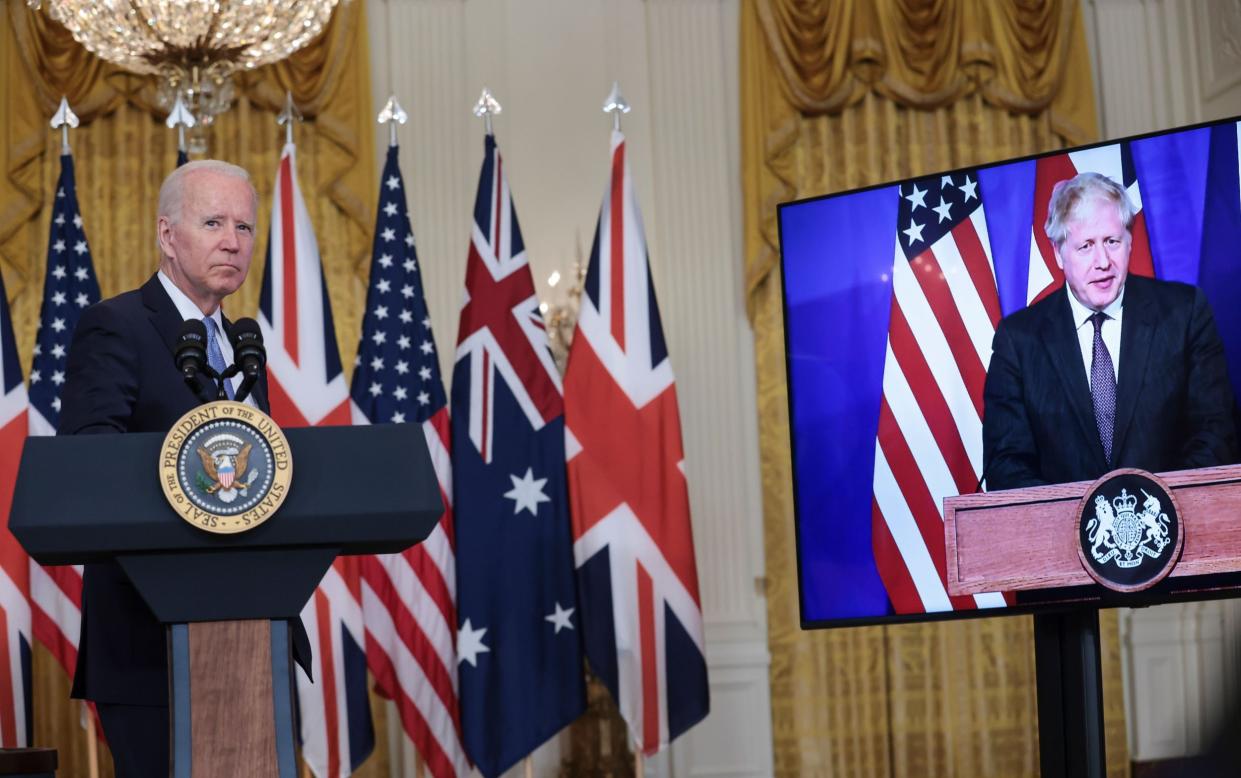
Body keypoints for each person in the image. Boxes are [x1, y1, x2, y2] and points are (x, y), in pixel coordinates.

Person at [58, 160, 308, 774]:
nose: (233, 241)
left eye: (245, 227)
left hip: (254, 635)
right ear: (168, 236)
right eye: (214, 222)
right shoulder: (115, 326)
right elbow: (93, 467)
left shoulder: (242, 343)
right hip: (151, 643)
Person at [982, 171, 1238, 491]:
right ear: (1059, 253)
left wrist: (1155, 512)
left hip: (1172, 527)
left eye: (1112, 242)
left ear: (1129, 242)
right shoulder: (1018, 341)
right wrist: (1081, 524)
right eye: (1086, 246)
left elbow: (1216, 434)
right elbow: (1006, 465)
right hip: (1064, 536)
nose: (1103, 261)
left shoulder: (1184, 313)